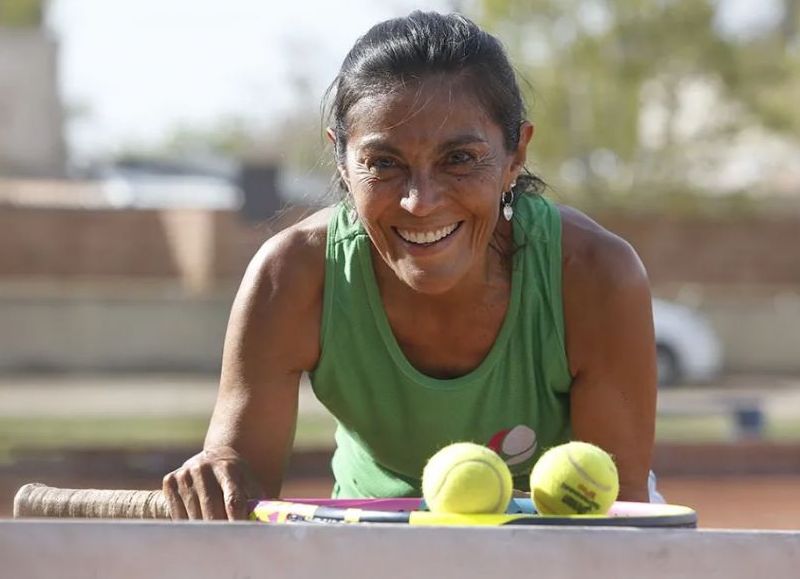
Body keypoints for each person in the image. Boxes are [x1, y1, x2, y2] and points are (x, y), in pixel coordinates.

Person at [162, 11, 658, 520]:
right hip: (369, 543)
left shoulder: (594, 275)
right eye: (383, 163)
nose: (420, 202)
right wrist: (219, 475)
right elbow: (237, 501)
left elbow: (619, 521)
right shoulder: (290, 276)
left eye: (460, 159)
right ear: (342, 160)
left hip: (561, 540)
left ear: (516, 154)